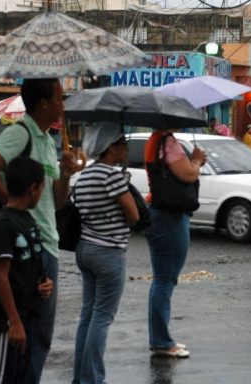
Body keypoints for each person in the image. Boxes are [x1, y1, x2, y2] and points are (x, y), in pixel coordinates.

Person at [0, 78, 77, 383]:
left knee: (38, 337)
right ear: (43, 103)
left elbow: (56, 202)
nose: (63, 105)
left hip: (46, 244)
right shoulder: (21, 133)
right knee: (21, 337)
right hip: (27, 248)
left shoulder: (46, 140)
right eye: (59, 98)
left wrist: (66, 174)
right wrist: (14, 206)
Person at [72, 122, 139, 384]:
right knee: (102, 317)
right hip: (108, 251)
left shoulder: (85, 175)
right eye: (122, 144)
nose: (125, 148)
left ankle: (80, 378)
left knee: (88, 315)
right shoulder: (111, 176)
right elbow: (133, 216)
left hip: (85, 248)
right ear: (111, 148)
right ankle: (93, 380)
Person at [0, 157, 54, 383]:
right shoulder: (4, 224)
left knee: (19, 375)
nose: (41, 193)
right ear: (32, 189)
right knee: (1, 375)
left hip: (28, 314)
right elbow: (0, 275)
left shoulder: (27, 219)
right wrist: (13, 322)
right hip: (10, 321)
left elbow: (27, 266)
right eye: (42, 188)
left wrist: (44, 284)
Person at [144, 130, 206, 358]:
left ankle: (160, 338)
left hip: (162, 214)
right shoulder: (168, 142)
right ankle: (161, 341)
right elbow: (188, 174)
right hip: (169, 216)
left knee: (163, 279)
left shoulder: (156, 140)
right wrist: (197, 160)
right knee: (165, 279)